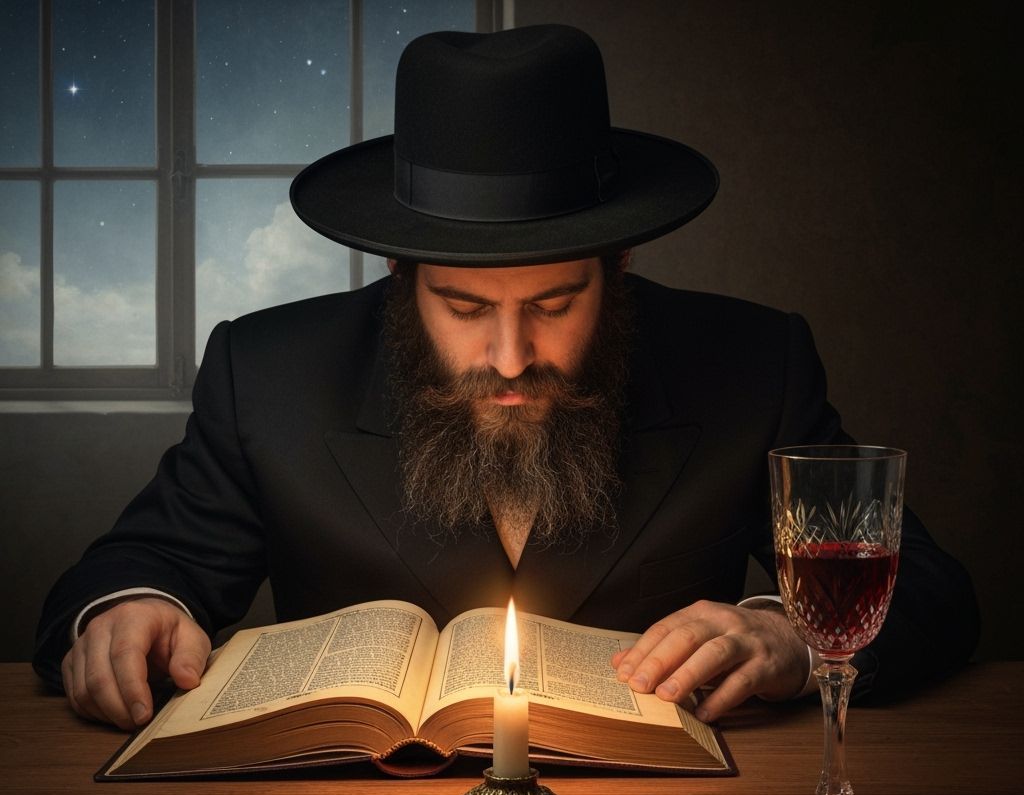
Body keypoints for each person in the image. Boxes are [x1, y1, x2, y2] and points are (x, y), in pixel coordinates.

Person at [34, 24, 978, 732]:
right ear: (402, 281)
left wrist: (788, 634)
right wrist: (131, 611)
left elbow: (929, 589)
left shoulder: (751, 362)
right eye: (467, 308)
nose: (513, 356)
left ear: (619, 269)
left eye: (558, 303)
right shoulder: (268, 372)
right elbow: (133, 568)